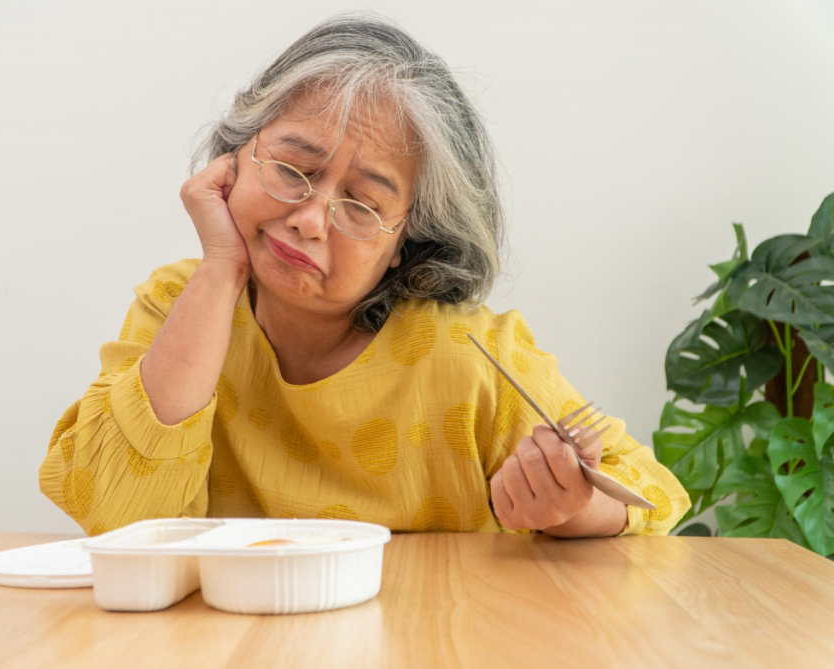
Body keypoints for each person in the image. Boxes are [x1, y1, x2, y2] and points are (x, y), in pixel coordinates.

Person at [39, 11, 689, 538]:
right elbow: (116, 517)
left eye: (363, 205)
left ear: (407, 241)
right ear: (236, 156)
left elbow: (652, 495)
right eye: (293, 169)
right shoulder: (179, 302)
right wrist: (220, 268)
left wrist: (571, 508)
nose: (311, 220)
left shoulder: (471, 354)